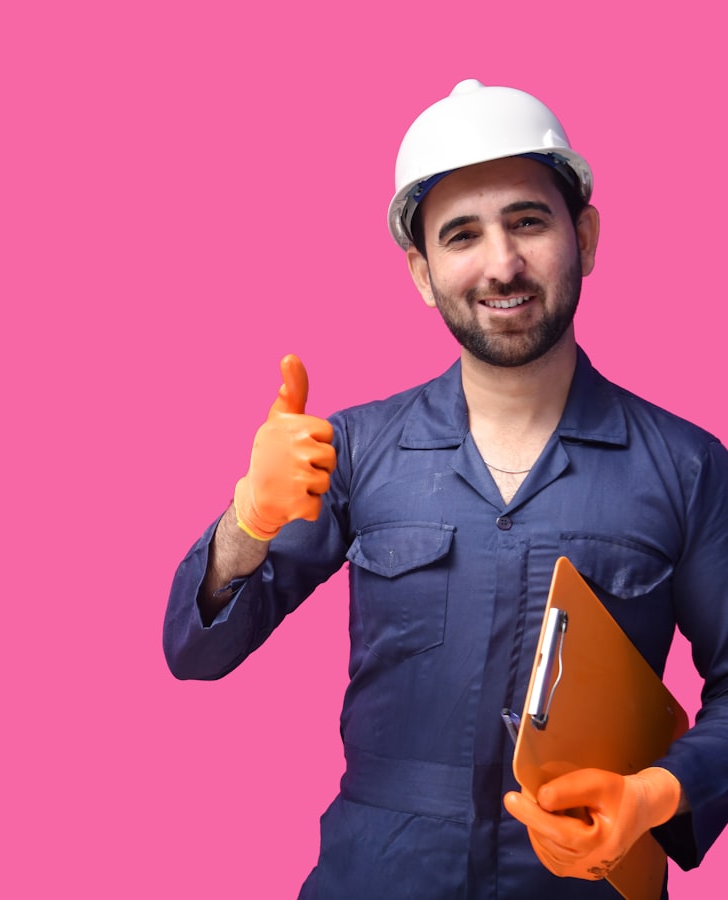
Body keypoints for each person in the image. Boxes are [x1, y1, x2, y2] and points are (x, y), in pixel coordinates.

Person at [163, 79, 728, 898]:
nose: (501, 264)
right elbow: (194, 652)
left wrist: (657, 795)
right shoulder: (351, 454)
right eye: (462, 235)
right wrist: (246, 523)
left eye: (528, 222)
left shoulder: (686, 467)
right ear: (423, 273)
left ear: (585, 237)